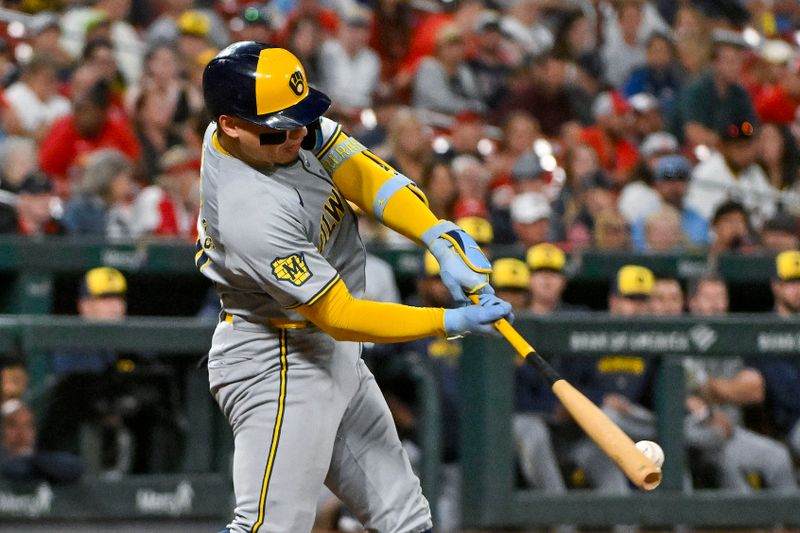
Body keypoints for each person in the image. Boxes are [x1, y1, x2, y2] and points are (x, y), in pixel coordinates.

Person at [198, 42, 513, 533]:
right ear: (230, 126)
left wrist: (435, 232)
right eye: (282, 128)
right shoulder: (249, 211)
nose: (299, 134)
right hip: (278, 358)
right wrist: (447, 321)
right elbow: (340, 315)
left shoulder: (264, 126)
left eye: (301, 119)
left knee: (406, 519)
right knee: (269, 527)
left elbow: (358, 170)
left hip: (324, 349)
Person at [684, 275, 798, 492]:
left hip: (732, 433)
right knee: (735, 482)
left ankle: (788, 524)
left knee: (778, 457)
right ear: (692, 302)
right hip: (695, 435)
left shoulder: (733, 336)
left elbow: (754, 390)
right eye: (708, 297)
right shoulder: (678, 336)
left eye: (720, 297)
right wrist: (727, 391)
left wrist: (708, 388)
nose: (716, 305)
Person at [1, 399, 84, 484]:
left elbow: (75, 468)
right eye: (13, 425)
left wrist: (32, 460)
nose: (22, 433)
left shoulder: (42, 462)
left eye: (28, 425)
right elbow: (14, 470)